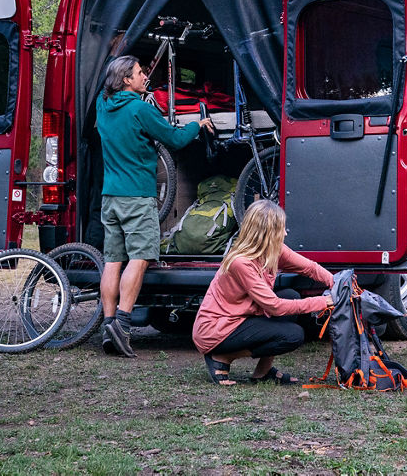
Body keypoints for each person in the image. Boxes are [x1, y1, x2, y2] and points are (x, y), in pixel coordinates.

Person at [96, 54, 214, 358]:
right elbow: (174, 139)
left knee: (113, 260)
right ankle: (122, 325)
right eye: (139, 73)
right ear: (126, 80)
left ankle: (107, 324)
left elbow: (107, 87)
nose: (145, 76)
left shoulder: (101, 105)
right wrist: (197, 126)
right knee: (140, 257)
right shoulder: (139, 110)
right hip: (137, 197)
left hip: (110, 197)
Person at [192, 199, 334, 386]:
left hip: (241, 318)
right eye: (280, 229)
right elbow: (274, 307)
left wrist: (336, 283)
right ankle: (223, 356)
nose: (285, 232)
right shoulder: (241, 262)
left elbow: (310, 268)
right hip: (216, 328)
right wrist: (323, 302)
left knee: (291, 296)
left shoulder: (273, 250)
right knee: (293, 335)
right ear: (266, 233)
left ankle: (263, 372)